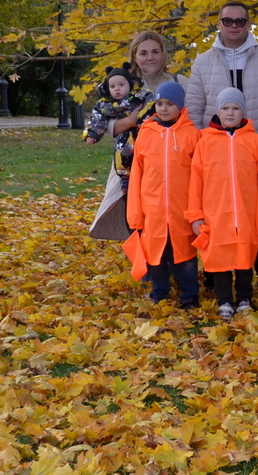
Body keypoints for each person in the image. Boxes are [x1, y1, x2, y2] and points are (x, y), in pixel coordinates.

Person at [184, 1, 258, 288]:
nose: (233, 26)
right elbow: (193, 109)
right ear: (218, 23)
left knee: (255, 213)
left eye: (240, 21)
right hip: (215, 155)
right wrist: (199, 154)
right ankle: (216, 274)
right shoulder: (204, 61)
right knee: (217, 216)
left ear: (248, 24)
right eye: (227, 21)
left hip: (257, 150)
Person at [188, 87, 258, 319]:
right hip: (215, 215)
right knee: (220, 259)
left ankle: (244, 298)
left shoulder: (253, 141)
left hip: (246, 214)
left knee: (244, 257)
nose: (230, 113)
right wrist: (195, 215)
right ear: (218, 111)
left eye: (235, 108)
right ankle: (224, 300)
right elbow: (195, 181)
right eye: (225, 108)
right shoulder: (205, 142)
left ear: (243, 112)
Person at [89, 31, 187, 241]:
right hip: (130, 163)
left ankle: (167, 264)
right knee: (134, 216)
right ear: (134, 56)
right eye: (143, 53)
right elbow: (107, 123)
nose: (149, 57)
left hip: (170, 165)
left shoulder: (180, 82)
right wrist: (132, 121)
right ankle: (145, 265)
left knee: (169, 218)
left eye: (155, 52)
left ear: (163, 54)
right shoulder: (123, 84)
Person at [125, 83, 200, 308]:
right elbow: (137, 175)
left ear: (180, 106)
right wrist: (135, 214)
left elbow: (199, 176)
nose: (164, 108)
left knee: (185, 256)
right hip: (153, 209)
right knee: (155, 254)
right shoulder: (146, 134)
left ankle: (189, 297)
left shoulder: (192, 134)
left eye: (170, 104)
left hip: (182, 209)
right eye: (160, 103)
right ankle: (160, 293)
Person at [84, 67, 154, 200]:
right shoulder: (106, 104)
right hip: (125, 135)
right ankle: (125, 181)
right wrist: (92, 134)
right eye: (113, 86)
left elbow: (151, 102)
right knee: (121, 152)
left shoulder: (138, 96)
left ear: (129, 84)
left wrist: (142, 117)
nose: (117, 89)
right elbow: (97, 118)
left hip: (143, 132)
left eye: (121, 85)